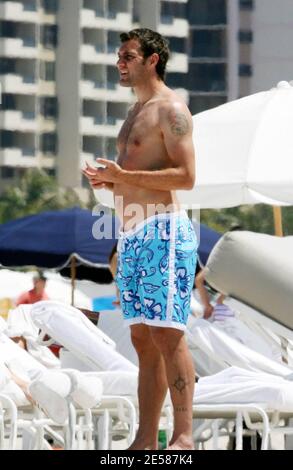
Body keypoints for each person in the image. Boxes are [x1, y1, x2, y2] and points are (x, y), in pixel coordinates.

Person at [83, 28, 197, 450]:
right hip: (130, 233)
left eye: (128, 55)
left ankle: (183, 436)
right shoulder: (134, 113)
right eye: (119, 56)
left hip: (163, 230)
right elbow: (130, 181)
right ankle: (145, 439)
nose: (120, 63)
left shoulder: (171, 109)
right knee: (142, 339)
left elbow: (186, 177)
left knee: (167, 333)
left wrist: (124, 176)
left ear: (152, 60)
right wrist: (108, 183)